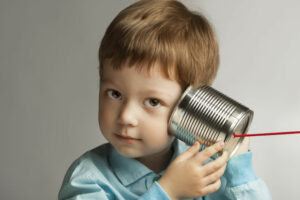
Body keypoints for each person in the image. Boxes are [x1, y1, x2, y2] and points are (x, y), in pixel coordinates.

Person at [58, 0, 271, 199]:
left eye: (152, 101)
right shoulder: (88, 178)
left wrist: (239, 168)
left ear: (192, 105)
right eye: (115, 94)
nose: (126, 117)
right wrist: (167, 192)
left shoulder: (207, 171)